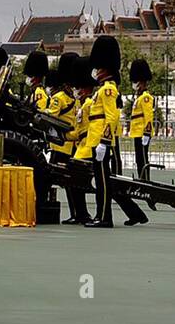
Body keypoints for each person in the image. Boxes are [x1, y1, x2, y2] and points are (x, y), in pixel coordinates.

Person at [75, 36, 123, 227]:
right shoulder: (101, 90)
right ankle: (101, 215)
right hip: (95, 141)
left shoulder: (108, 90)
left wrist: (104, 141)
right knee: (100, 182)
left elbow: (112, 117)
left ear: (104, 67)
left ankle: (104, 217)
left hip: (100, 141)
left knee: (103, 183)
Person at [55, 54, 91, 224]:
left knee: (74, 183)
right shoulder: (65, 98)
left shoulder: (79, 101)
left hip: (75, 146)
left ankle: (81, 213)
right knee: (71, 183)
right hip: (67, 144)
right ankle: (78, 213)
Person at [127, 58, 155, 182]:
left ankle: (145, 180)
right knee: (139, 159)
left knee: (143, 159)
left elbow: (148, 116)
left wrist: (147, 133)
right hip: (137, 132)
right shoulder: (139, 97)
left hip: (142, 133)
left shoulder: (146, 98)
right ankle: (142, 179)